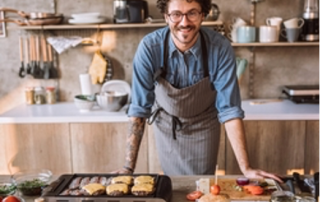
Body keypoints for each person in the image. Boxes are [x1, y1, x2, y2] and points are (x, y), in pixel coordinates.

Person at [113, 0, 282, 182]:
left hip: (205, 124)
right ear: (166, 16)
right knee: (174, 185)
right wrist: (128, 167)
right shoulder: (149, 48)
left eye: (192, 13)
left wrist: (246, 168)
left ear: (203, 15)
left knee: (202, 185)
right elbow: (139, 109)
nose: (184, 22)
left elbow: (230, 110)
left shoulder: (220, 48)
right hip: (168, 124)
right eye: (176, 14)